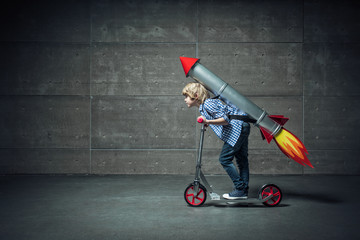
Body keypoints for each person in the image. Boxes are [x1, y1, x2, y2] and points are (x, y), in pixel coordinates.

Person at [182, 82, 251, 199]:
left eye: (187, 96)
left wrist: (208, 122)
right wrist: (208, 122)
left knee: (224, 159)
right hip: (241, 126)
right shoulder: (204, 107)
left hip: (237, 129)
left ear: (196, 96)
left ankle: (240, 188)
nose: (185, 100)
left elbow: (225, 119)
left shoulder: (208, 104)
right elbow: (219, 117)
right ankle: (243, 191)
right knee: (241, 160)